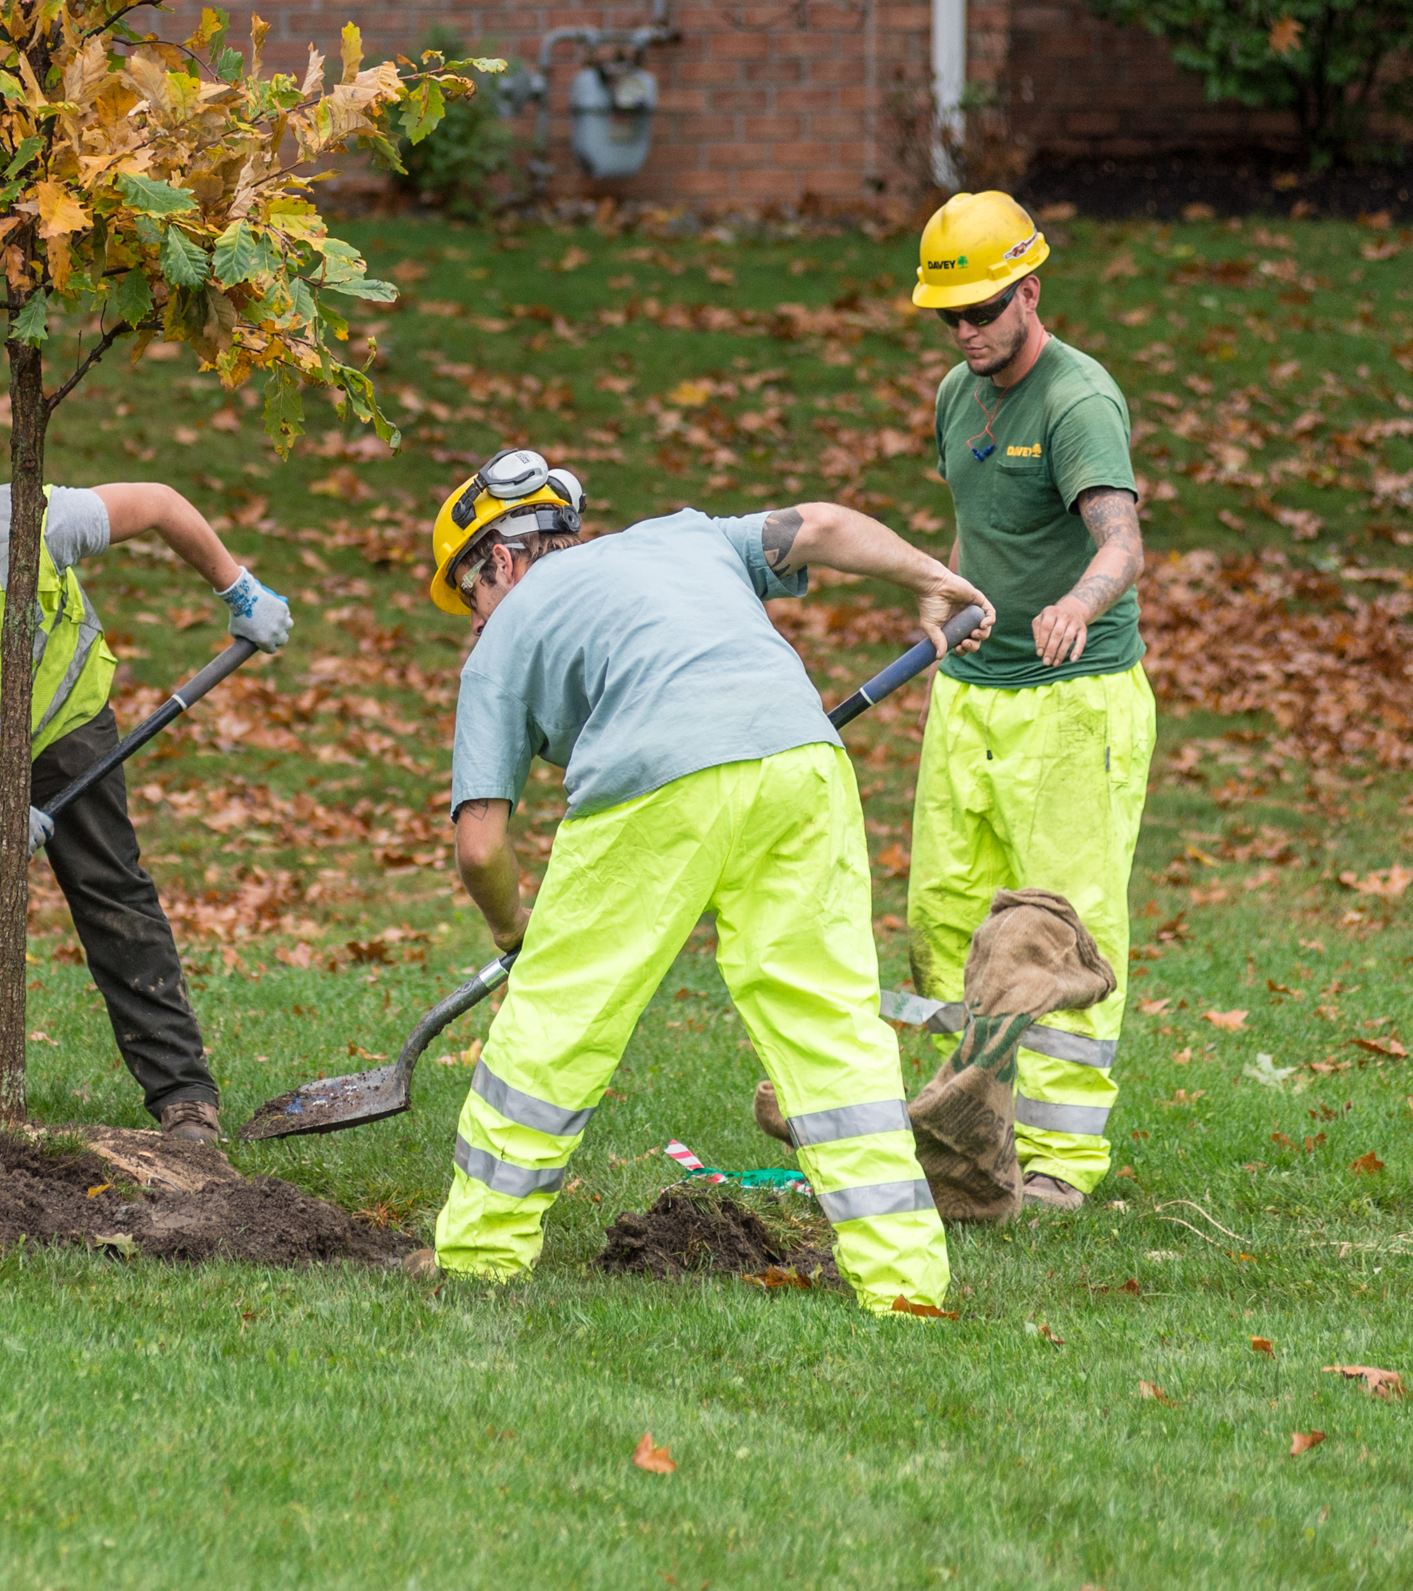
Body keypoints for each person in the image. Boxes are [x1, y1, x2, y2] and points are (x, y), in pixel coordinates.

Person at [424, 448, 993, 1311]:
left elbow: (480, 847)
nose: (475, 619)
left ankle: (477, 1257)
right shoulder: (686, 536)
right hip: (802, 764)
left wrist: (516, 935)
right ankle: (906, 1282)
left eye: (469, 593)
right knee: (830, 1024)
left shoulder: (501, 638)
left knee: (556, 1022)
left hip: (650, 784)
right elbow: (827, 526)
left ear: (497, 559)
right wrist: (934, 580)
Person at [0, 461, 292, 1142]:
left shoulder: (30, 525)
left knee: (107, 885)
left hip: (58, 715)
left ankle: (183, 1092)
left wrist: (237, 586)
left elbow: (159, 500)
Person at [899, 191, 1155, 1211]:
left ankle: (1058, 1162)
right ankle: (969, 1135)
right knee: (945, 917)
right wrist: (947, 599)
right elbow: (974, 527)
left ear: (1028, 293)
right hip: (969, 695)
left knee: (1057, 933)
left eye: (980, 311)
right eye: (945, 316)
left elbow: (1121, 546)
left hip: (1071, 706)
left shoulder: (1076, 401)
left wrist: (1076, 604)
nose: (963, 331)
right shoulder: (955, 397)